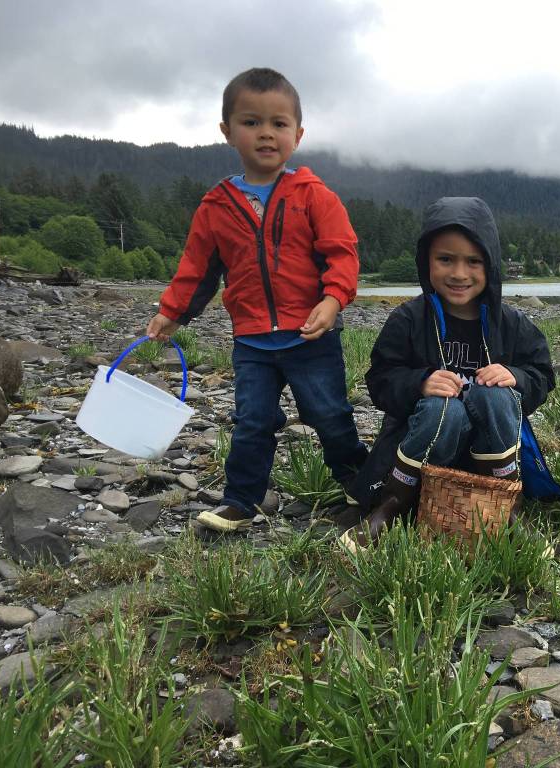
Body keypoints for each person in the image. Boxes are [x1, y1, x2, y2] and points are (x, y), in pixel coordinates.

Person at [146, 67, 366, 532]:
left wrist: (333, 301)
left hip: (312, 337)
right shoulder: (216, 205)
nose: (266, 133)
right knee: (251, 421)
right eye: (251, 122)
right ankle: (241, 502)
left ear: (297, 134)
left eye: (278, 124)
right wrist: (173, 312)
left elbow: (342, 255)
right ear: (227, 131)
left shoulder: (315, 196)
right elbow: (197, 270)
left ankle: (361, 487)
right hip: (252, 342)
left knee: (329, 414)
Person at [342, 197, 560, 550]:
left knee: (496, 395)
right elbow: (381, 380)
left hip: (487, 453)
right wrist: (419, 382)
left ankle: (506, 507)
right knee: (444, 406)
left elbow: (542, 375)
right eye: (445, 259)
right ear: (425, 261)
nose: (459, 274)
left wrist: (516, 378)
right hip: (423, 447)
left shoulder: (512, 324)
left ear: (490, 266)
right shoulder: (407, 320)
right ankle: (393, 504)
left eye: (473, 261)